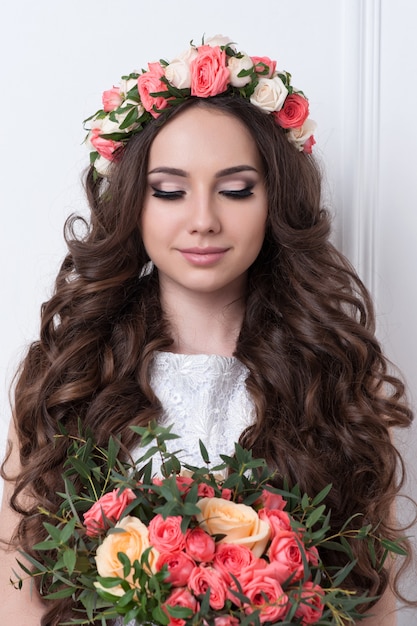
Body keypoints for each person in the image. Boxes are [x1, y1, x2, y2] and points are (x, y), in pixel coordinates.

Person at [0, 35, 414, 625]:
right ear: (131, 206)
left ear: (276, 200)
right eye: (169, 190)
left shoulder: (336, 373)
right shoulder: (68, 373)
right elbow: (18, 599)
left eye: (236, 189)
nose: (203, 220)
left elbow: (371, 603)